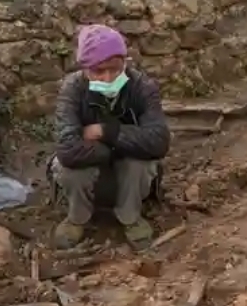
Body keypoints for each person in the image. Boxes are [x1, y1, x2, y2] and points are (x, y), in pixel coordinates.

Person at [52, 24, 170, 248]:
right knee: (69, 169)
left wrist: (105, 132)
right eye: (99, 71)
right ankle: (77, 218)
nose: (107, 78)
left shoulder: (142, 87)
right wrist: (118, 146)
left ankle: (131, 217)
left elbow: (159, 140)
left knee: (139, 164)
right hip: (92, 161)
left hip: (124, 163)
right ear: (85, 69)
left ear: (124, 63)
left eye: (115, 69)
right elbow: (67, 148)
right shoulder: (73, 89)